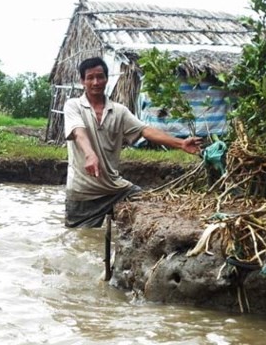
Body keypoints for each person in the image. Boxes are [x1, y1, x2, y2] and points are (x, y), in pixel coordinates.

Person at [64, 56, 202, 228]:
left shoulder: (119, 111)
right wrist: (90, 154)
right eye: (90, 78)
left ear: (107, 79)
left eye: (100, 77)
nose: (96, 82)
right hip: (83, 192)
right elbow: (78, 132)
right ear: (82, 81)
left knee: (147, 204)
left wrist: (180, 143)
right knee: (78, 241)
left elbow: (146, 130)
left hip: (115, 188)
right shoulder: (73, 105)